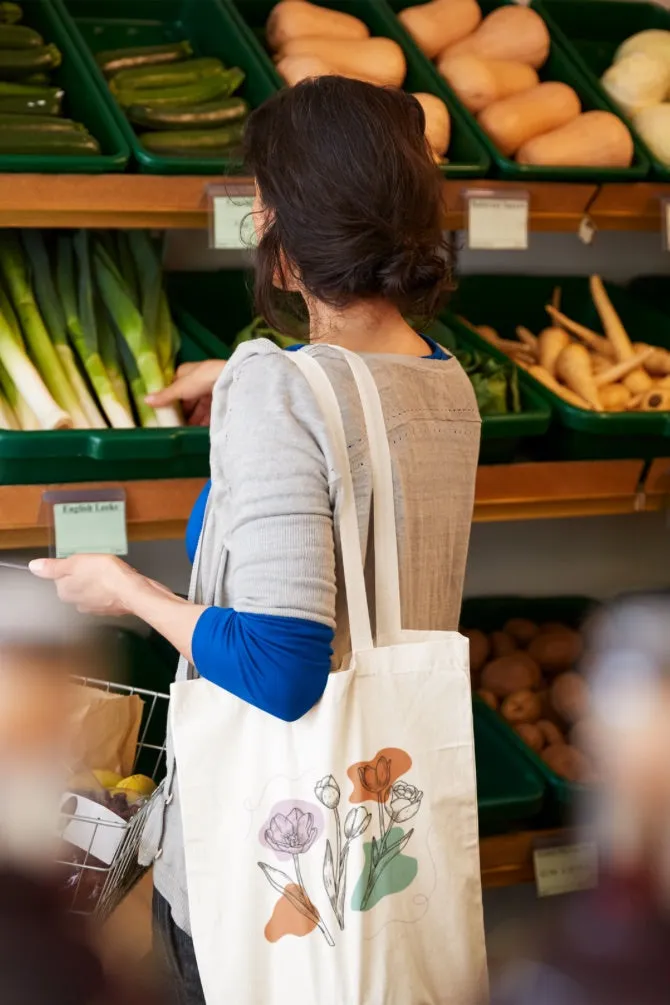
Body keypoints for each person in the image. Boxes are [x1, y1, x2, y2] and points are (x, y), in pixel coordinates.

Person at [30, 77, 481, 1004]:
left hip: (266, 858)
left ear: (279, 228)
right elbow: (355, 454)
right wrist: (240, 424)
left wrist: (127, 591)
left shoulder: (273, 388)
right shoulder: (447, 383)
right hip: (375, 829)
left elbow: (282, 667)